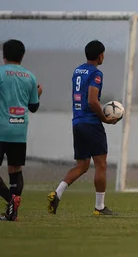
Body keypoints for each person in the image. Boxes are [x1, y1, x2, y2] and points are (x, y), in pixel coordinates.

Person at [47, 40, 120, 216]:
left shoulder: (77, 71)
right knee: (101, 165)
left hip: (77, 122)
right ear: (100, 55)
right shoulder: (96, 73)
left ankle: (57, 193)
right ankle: (100, 207)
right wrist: (104, 119)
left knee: (82, 165)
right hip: (91, 123)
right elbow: (92, 100)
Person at [0, 40, 42, 221]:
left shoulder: (1, 73)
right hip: (19, 130)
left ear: (4, 55)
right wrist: (38, 93)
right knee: (15, 170)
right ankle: (12, 214)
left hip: (1, 130)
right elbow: (33, 107)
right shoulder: (30, 77)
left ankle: (11, 200)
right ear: (22, 56)